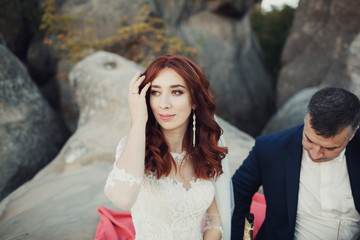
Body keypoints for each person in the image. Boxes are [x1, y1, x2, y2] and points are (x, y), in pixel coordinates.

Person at [104, 55, 234, 240]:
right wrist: (139, 121)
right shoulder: (134, 147)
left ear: (195, 100)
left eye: (176, 92)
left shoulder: (205, 151)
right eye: (155, 92)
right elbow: (123, 199)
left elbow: (214, 222)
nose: (164, 104)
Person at [231, 87, 360, 239]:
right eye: (309, 140)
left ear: (351, 135)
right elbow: (235, 195)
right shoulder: (270, 149)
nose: (315, 154)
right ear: (306, 120)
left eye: (329, 148)